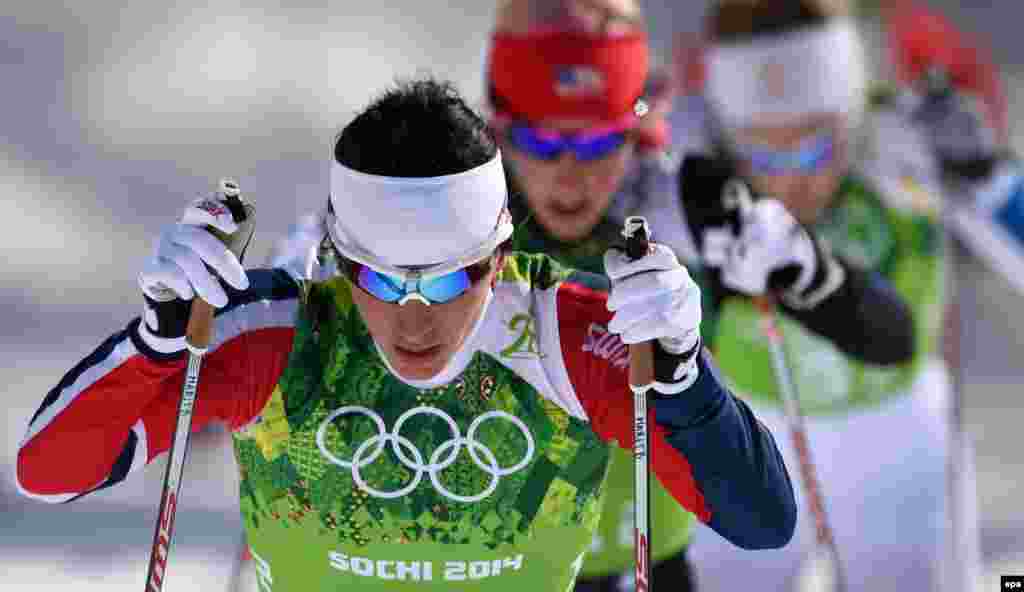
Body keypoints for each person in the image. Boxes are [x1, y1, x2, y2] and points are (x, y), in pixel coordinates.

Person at [15, 78, 796, 591]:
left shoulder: (568, 336)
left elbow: (763, 522)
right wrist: (151, 342)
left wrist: (686, 378)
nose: (415, 316)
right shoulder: (273, 337)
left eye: (455, 277)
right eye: (382, 279)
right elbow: (49, 472)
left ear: (502, 252)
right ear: (338, 256)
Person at [672, 1, 1010, 590]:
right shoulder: (696, 159)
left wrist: (992, 176)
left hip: (897, 436)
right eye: (763, 154)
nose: (790, 179)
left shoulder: (906, 143)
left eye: (814, 150)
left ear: (849, 118)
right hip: (752, 428)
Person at [483, 2, 709, 589]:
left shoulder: (674, 196)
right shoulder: (458, 208)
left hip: (647, 558)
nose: (569, 176)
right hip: (494, 561)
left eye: (597, 143)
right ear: (498, 127)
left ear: (635, 125)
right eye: (539, 140)